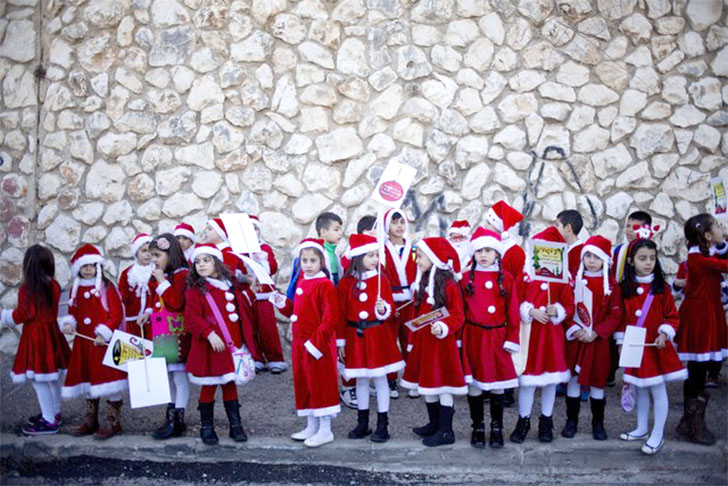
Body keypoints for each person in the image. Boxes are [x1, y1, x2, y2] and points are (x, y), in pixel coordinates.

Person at [615, 235, 687, 455]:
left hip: (656, 348)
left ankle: (658, 433)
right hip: (636, 346)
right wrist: (620, 341)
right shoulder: (625, 288)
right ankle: (642, 428)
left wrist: (665, 333)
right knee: (640, 388)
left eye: (652, 258)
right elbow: (621, 318)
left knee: (657, 389)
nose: (648, 263)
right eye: (642, 258)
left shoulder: (661, 289)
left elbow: (672, 316)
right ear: (631, 261)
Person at [184, 243, 257, 445]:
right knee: (209, 385)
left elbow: (240, 311)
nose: (201, 265)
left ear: (217, 263)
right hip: (211, 347)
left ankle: (236, 426)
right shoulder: (195, 289)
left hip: (232, 345)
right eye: (197, 261)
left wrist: (251, 290)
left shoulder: (229, 284)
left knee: (230, 384)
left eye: (206, 260)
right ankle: (206, 427)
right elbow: (191, 316)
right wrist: (208, 333)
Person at [274, 238, 343, 447]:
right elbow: (294, 311)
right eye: (304, 260)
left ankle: (325, 430)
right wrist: (280, 302)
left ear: (322, 262)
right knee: (305, 382)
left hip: (317, 346)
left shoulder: (325, 285)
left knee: (321, 384)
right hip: (300, 345)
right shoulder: (303, 281)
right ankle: (311, 425)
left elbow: (331, 318)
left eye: (313, 260)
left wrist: (316, 343)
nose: (308, 264)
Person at [337, 234, 404, 443]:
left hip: (377, 336)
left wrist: (384, 309)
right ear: (358, 257)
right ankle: (362, 423)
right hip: (355, 337)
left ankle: (383, 424)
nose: (375, 259)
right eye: (370, 255)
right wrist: (341, 342)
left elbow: (391, 308)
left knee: (381, 380)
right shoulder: (346, 283)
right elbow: (340, 313)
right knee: (361, 380)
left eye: (377, 255)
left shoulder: (381, 280)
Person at [510, 226, 574, 444]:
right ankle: (523, 420)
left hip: (552, 336)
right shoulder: (526, 276)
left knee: (550, 380)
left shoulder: (563, 278)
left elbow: (569, 303)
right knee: (528, 380)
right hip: (531, 334)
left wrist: (559, 310)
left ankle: (546, 420)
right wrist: (530, 311)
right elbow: (516, 300)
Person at [401, 237, 467, 447]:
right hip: (424, 344)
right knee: (427, 383)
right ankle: (434, 423)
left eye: (419, 256)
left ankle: (446, 430)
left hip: (441, 345)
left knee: (443, 385)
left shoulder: (449, 285)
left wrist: (443, 326)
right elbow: (417, 312)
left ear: (433, 257)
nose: (416, 261)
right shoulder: (422, 281)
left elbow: (458, 314)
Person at [0, 245, 71, 435]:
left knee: (38, 381)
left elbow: (24, 314)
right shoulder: (54, 285)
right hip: (54, 335)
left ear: (28, 266)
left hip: (36, 338)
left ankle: (49, 421)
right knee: (53, 376)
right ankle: (54, 413)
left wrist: (5, 316)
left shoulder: (28, 289)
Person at [460, 228, 520, 449]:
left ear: (497, 253)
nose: (483, 255)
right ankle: (478, 426)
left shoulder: (507, 279)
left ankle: (497, 426)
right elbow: (460, 310)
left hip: (498, 337)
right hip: (473, 337)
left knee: (498, 385)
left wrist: (512, 338)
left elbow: (513, 312)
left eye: (488, 250)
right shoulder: (465, 278)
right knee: (475, 386)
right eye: (479, 251)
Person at [59, 244, 127, 440]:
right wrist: (68, 324)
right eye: (84, 265)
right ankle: (91, 420)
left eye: (92, 265)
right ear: (78, 268)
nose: (88, 269)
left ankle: (113, 422)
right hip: (84, 343)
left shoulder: (107, 287)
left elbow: (116, 314)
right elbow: (70, 312)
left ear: (98, 267)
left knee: (110, 381)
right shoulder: (75, 289)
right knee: (89, 380)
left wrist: (104, 333)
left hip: (103, 343)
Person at [674, 214, 727, 446]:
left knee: (700, 370)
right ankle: (693, 424)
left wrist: (722, 243)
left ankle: (690, 420)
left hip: (708, 314)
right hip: (700, 318)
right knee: (697, 370)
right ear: (707, 235)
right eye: (717, 225)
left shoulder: (706, 254)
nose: (721, 226)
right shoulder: (698, 259)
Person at [562, 236, 621, 441]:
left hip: (598, 343)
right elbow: (567, 309)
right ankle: (571, 422)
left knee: (597, 382)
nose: (592, 260)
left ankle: (598, 423)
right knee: (573, 381)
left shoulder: (612, 286)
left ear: (605, 260)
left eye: (597, 256)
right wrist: (575, 330)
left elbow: (615, 315)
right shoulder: (572, 282)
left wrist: (596, 332)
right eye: (587, 255)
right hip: (576, 341)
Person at [146, 234, 191, 440]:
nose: (154, 259)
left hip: (177, 334)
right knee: (169, 377)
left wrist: (162, 282)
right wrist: (147, 313)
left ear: (169, 253)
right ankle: (171, 416)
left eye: (157, 255)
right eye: (152, 255)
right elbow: (158, 300)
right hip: (164, 334)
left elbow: (176, 302)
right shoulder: (165, 274)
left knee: (179, 377)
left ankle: (178, 419)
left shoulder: (182, 275)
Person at [484, 200, 526, 408]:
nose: (485, 227)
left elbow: (518, 281)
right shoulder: (484, 247)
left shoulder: (514, 251)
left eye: (489, 224)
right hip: (485, 304)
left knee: (506, 348)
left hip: (505, 305)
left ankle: (507, 388)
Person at [381, 209, 418, 398]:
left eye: (402, 222)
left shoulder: (413, 248)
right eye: (394, 222)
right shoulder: (382, 249)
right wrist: (387, 303)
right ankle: (391, 380)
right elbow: (381, 276)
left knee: (410, 340)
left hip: (411, 301)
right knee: (389, 341)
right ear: (387, 226)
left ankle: (412, 379)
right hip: (391, 302)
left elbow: (420, 270)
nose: (399, 226)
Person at [247, 215, 287, 375]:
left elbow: (274, 267)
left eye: (254, 228)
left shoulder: (265, 249)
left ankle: (275, 358)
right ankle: (256, 358)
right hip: (248, 295)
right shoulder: (239, 250)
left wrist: (263, 262)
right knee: (250, 329)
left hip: (264, 295)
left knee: (267, 328)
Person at [118, 234, 155, 338]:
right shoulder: (127, 273)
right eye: (144, 251)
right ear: (136, 253)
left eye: (150, 251)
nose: (148, 255)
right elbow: (122, 295)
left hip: (152, 319)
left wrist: (149, 311)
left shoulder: (157, 271)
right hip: (132, 321)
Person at [556, 210, 585, 283]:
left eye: (558, 225)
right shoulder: (559, 247)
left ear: (568, 227)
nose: (555, 229)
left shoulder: (583, 252)